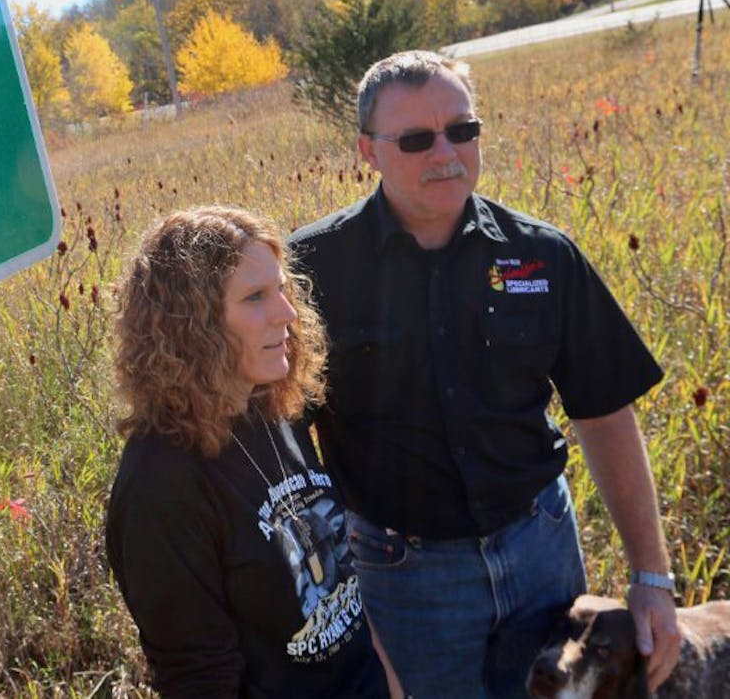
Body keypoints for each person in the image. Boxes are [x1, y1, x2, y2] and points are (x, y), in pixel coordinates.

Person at [289, 50, 681, 698]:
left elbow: (605, 411)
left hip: (541, 556)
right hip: (404, 578)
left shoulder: (540, 254)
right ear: (368, 151)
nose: (446, 153)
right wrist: (359, 632)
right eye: (416, 139)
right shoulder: (312, 272)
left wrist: (652, 576)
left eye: (463, 130)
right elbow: (292, 465)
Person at [105, 206, 392, 698]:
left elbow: (350, 591)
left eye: (281, 289)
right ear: (189, 325)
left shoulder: (276, 403)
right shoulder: (161, 486)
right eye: (255, 297)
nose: (286, 312)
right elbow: (199, 679)